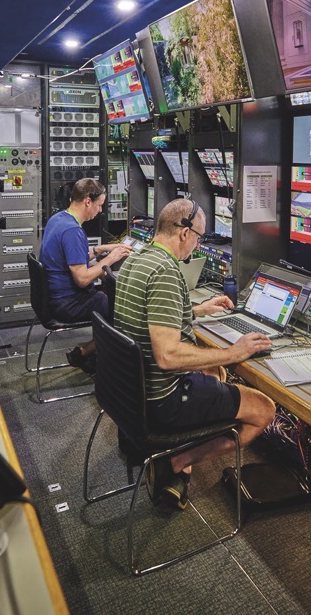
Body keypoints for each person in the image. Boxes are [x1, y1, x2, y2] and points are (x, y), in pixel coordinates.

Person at [114, 198, 276, 509]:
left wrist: (196, 309)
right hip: (165, 399)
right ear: (184, 232)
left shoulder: (139, 259)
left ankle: (176, 459)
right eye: (200, 238)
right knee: (264, 410)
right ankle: (177, 460)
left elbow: (150, 313)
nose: (198, 246)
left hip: (132, 395)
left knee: (214, 374)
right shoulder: (166, 271)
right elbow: (168, 357)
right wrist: (233, 352)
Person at [39, 178, 132, 372]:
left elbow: (74, 256)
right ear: (88, 201)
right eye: (99, 205)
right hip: (69, 303)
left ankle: (91, 352)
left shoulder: (59, 219)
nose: (99, 211)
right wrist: (111, 259)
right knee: (127, 312)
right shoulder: (73, 230)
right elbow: (81, 279)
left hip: (54, 298)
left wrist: (102, 249)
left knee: (108, 299)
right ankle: (89, 353)